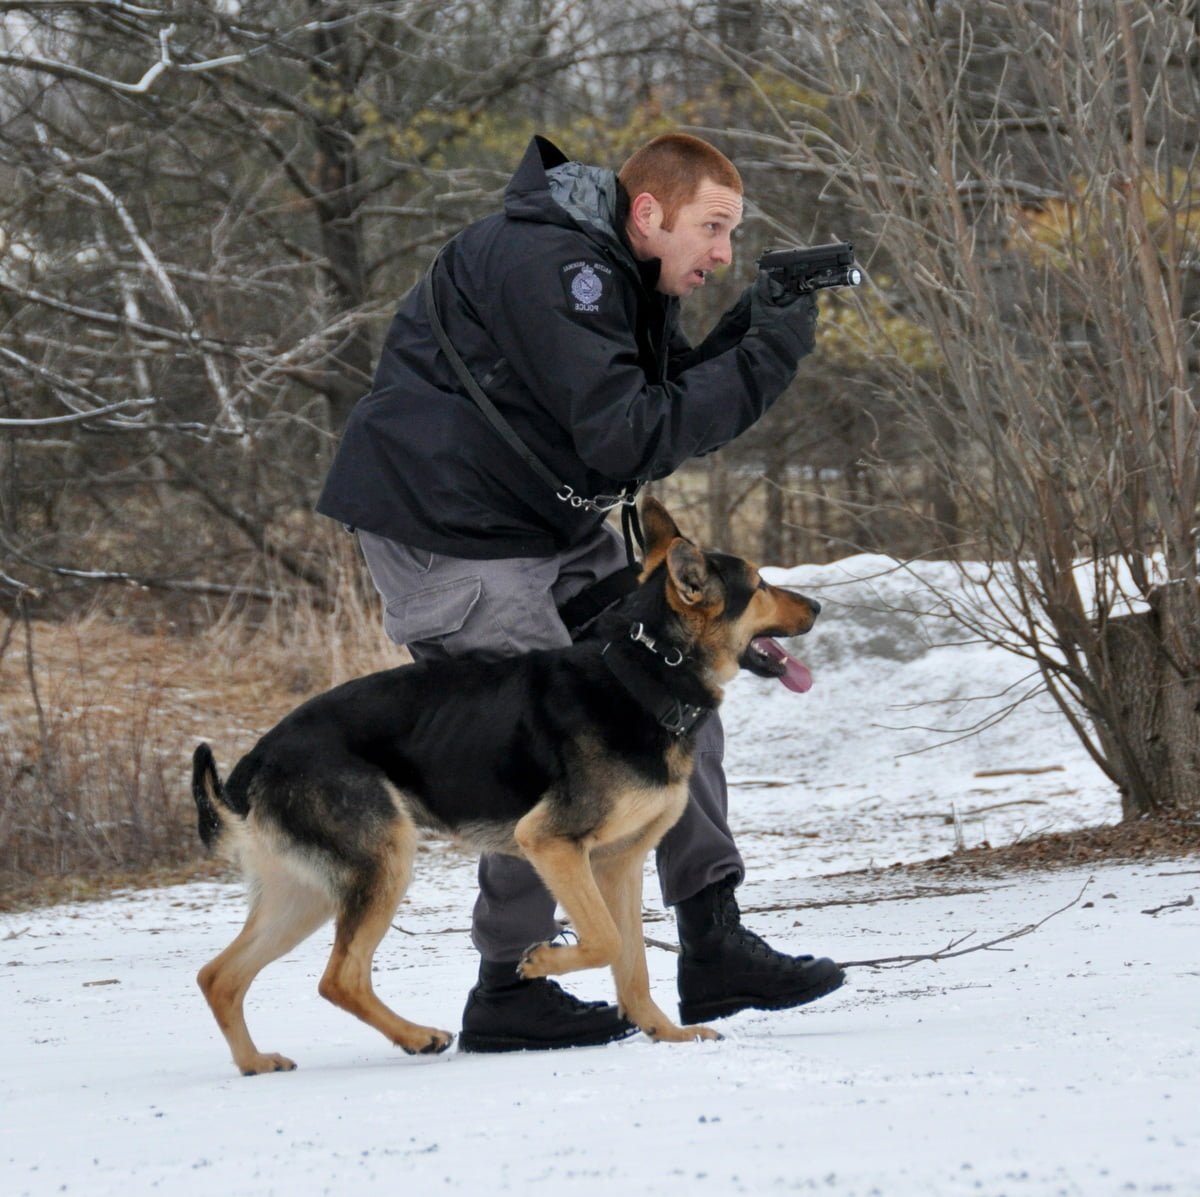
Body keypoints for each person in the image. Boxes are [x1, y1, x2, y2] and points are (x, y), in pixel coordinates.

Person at [317, 132, 844, 1052]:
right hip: (449, 530)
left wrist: (754, 324)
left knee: (676, 680)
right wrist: (772, 358)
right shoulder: (560, 267)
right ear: (649, 213)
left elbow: (658, 391)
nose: (721, 254)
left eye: (733, 236)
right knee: (548, 741)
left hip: (545, 521)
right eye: (713, 229)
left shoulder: (617, 267)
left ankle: (711, 934)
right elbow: (629, 438)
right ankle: (510, 983)